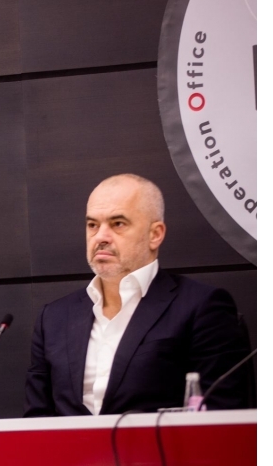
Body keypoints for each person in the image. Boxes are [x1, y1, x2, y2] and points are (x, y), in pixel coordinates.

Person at [24, 174, 251, 416]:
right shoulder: (54, 318)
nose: (100, 237)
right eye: (92, 225)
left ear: (155, 234)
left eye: (118, 224)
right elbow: (36, 420)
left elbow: (223, 417)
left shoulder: (202, 307)